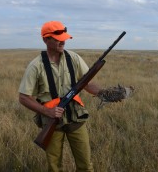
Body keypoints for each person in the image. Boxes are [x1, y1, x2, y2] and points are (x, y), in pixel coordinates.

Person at [18, 21, 101, 172]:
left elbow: (87, 83)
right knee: (54, 167)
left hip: (76, 118)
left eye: (64, 38)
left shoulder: (74, 58)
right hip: (52, 122)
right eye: (57, 39)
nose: (62, 41)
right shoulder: (36, 65)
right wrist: (47, 111)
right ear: (45, 40)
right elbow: (23, 97)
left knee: (86, 165)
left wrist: (104, 94)